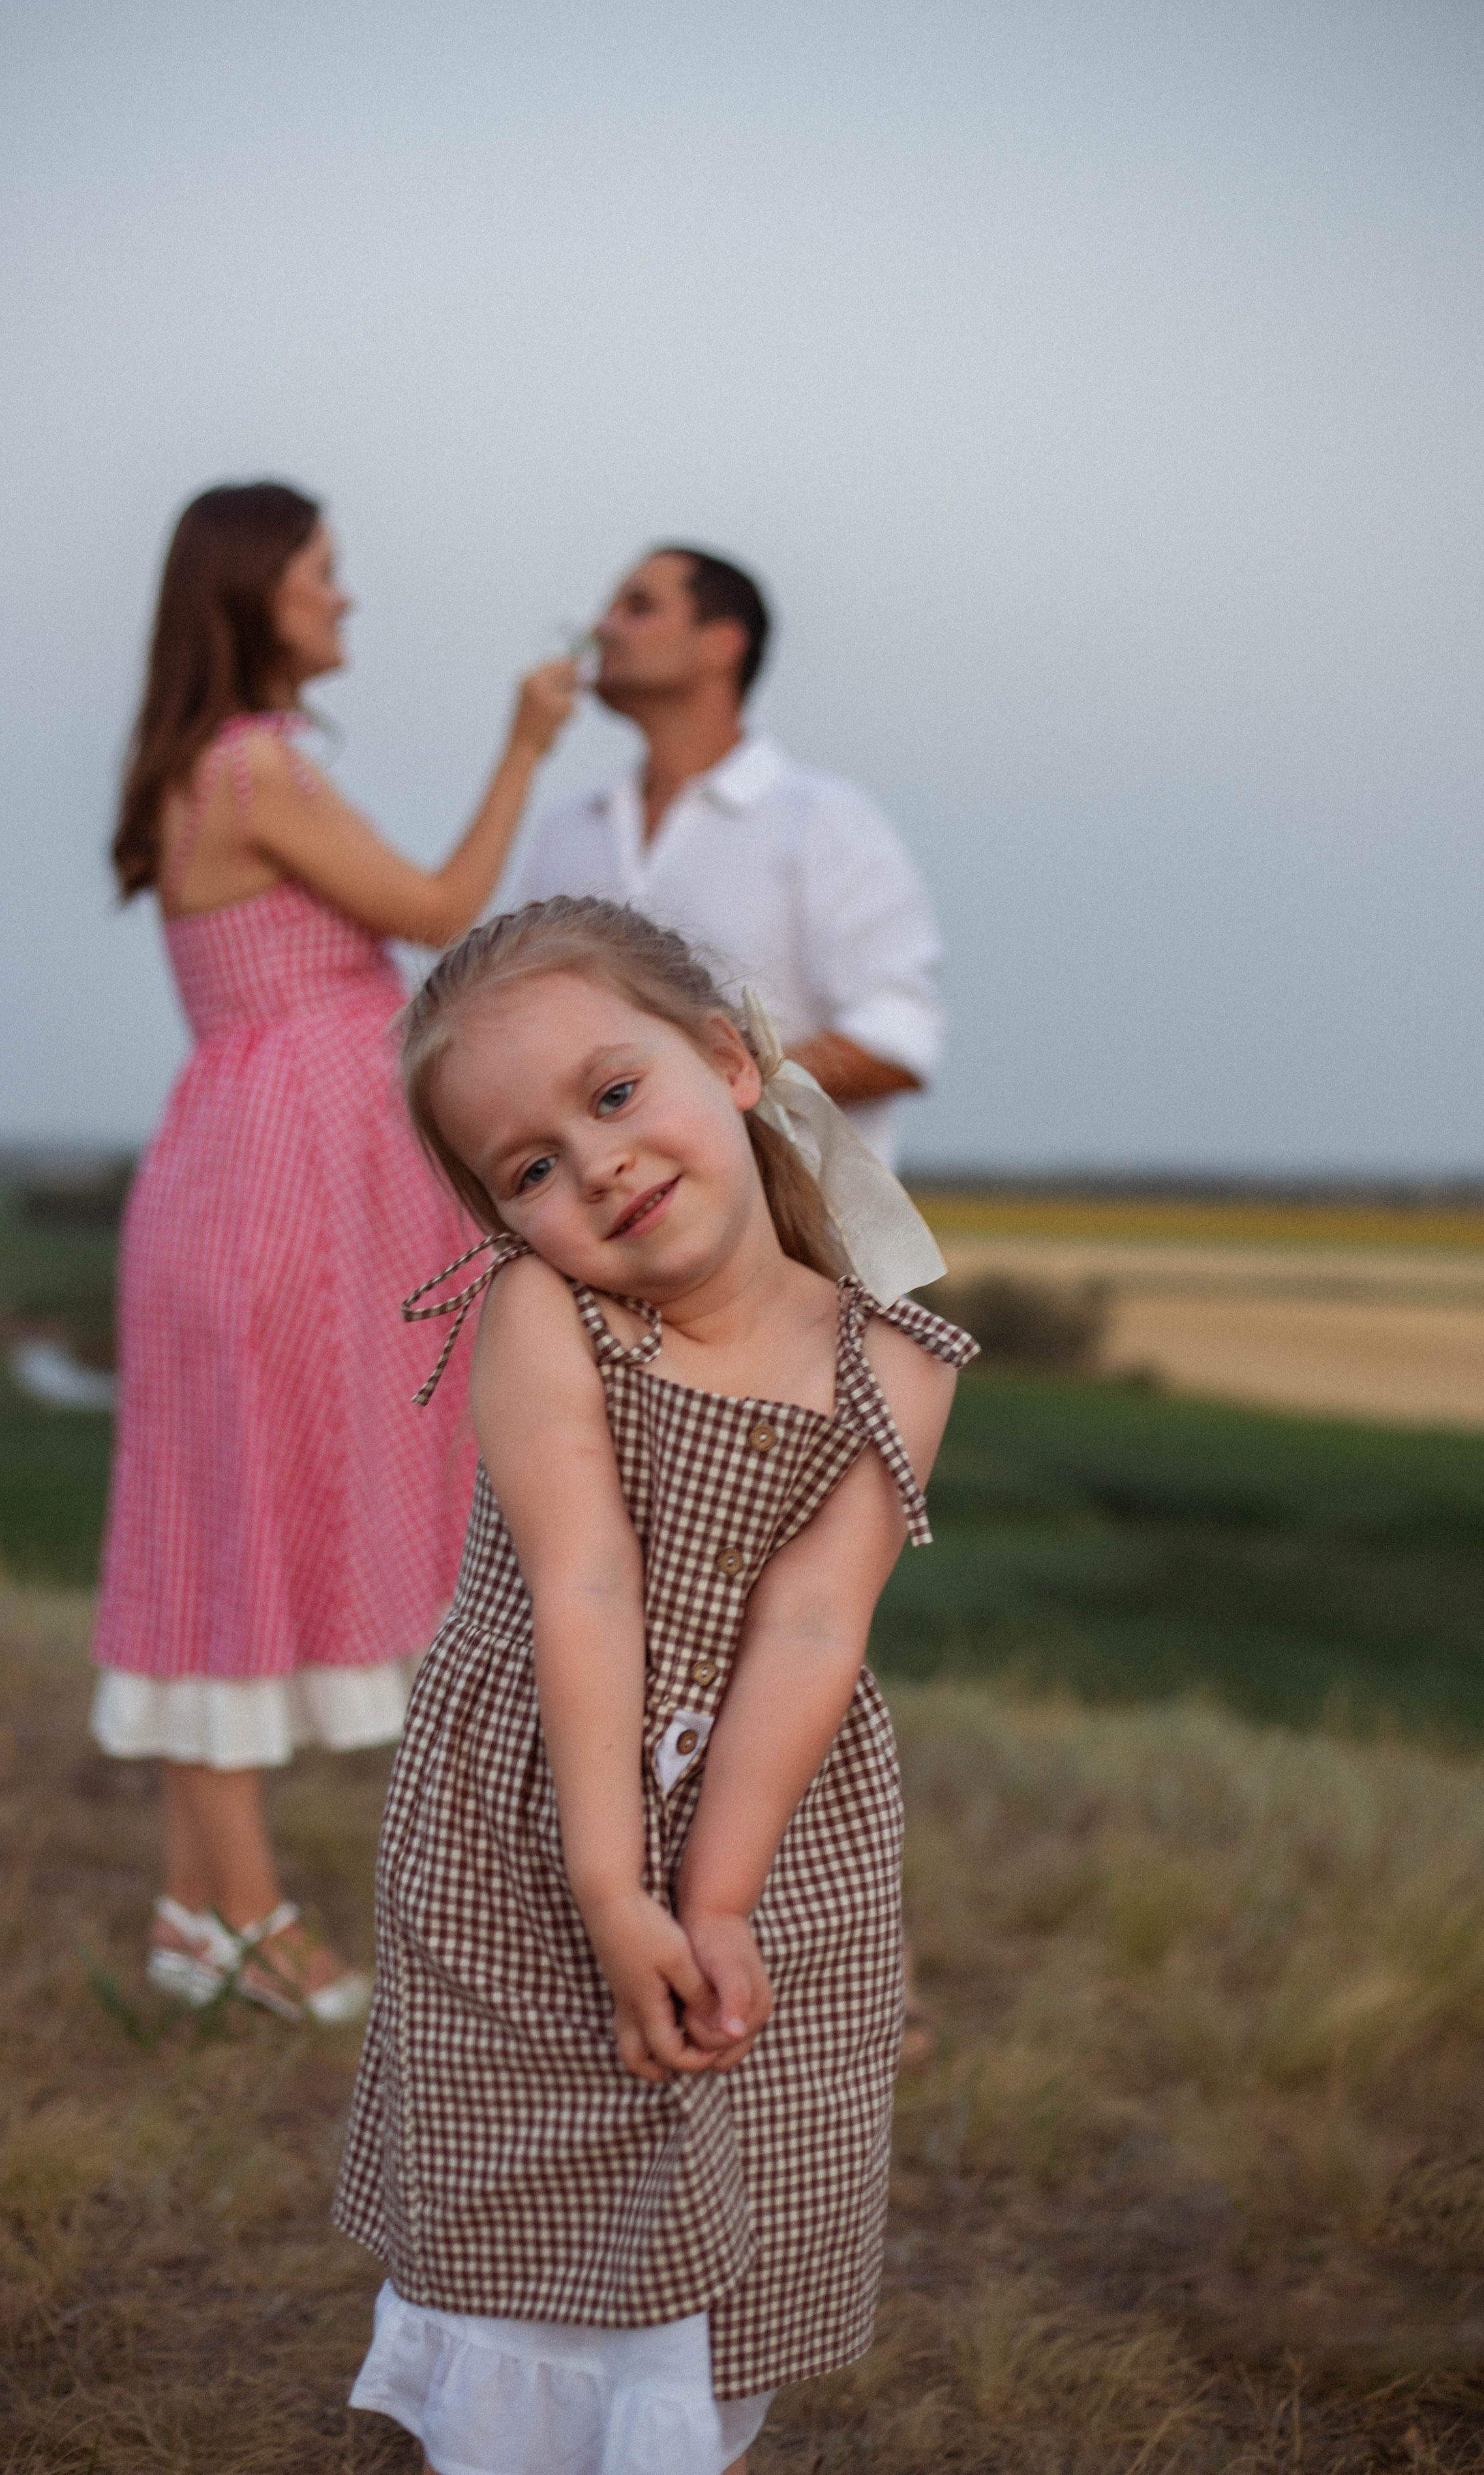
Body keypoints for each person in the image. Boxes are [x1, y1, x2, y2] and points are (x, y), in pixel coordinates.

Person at [333, 898, 977, 2474]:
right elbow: (586, 1584)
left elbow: (815, 1626)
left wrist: (720, 1892)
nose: (593, 1164)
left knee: (736, 2152)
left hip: (780, 1831)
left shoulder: (895, 1357)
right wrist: (613, 1885)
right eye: (528, 1168)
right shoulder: (550, 1313)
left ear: (730, 1059)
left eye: (613, 1095)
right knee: (538, 2191)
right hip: (537, 1824)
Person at [92, 481, 575, 2024]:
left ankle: (196, 1917)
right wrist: (522, 745)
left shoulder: (215, 762)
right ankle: (241, 1914)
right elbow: (438, 909)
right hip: (275, 1199)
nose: (344, 599)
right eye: (323, 574)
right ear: (254, 595)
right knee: (236, 1534)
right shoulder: (252, 768)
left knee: (221, 1519)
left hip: (252, 1176)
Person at [504, 546, 944, 1170]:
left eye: (639, 607)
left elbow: (897, 1040)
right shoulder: (566, 830)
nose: (602, 627)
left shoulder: (822, 820)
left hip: (794, 1243)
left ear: (721, 644)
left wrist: (712, 1080)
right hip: (592, 1240)